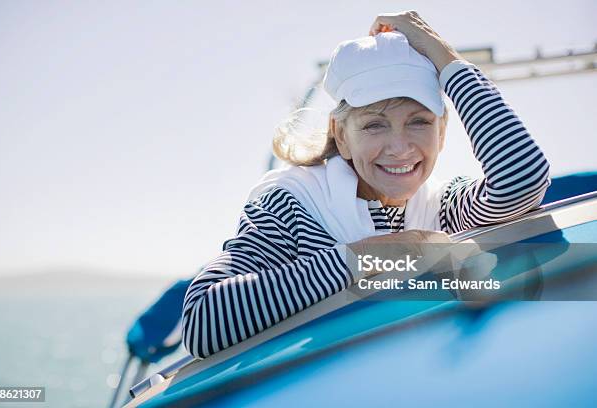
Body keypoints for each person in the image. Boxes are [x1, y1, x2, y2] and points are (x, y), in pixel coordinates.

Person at [181, 11, 551, 359]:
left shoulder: (441, 204)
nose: (400, 147)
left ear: (442, 131)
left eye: (419, 121)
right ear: (341, 136)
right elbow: (203, 322)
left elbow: (522, 180)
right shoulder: (292, 204)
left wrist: (444, 56)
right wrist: (382, 253)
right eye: (374, 124)